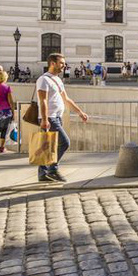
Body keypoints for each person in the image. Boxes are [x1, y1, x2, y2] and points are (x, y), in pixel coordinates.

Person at [36, 53, 89, 183]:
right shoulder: (43, 80)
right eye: (61, 63)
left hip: (56, 117)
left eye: (64, 63)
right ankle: (52, 170)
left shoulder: (58, 80)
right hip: (49, 117)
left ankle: (42, 174)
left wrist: (80, 112)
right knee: (65, 142)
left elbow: (66, 99)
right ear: (52, 63)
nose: (64, 66)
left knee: (47, 146)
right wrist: (44, 119)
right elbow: (42, 101)